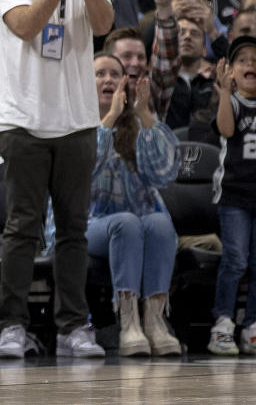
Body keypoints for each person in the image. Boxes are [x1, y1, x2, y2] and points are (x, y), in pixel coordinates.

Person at [0, 0, 114, 359]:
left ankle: (72, 327)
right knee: (21, 228)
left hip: (78, 122)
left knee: (73, 231)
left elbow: (103, 25)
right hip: (22, 120)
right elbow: (25, 26)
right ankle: (12, 326)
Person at [89, 53, 181, 357]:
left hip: (136, 222)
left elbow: (165, 173)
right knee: (126, 222)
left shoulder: (137, 128)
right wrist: (110, 118)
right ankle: (128, 322)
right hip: (86, 224)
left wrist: (143, 114)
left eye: (116, 75)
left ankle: (154, 321)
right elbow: (82, 171)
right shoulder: (75, 125)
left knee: (159, 222)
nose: (109, 80)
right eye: (100, 74)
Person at [209, 36, 256, 355]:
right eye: (242, 60)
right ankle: (223, 323)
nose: (251, 64)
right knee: (235, 260)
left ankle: (252, 324)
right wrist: (225, 93)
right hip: (235, 196)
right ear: (229, 71)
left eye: (255, 59)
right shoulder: (235, 102)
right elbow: (225, 130)